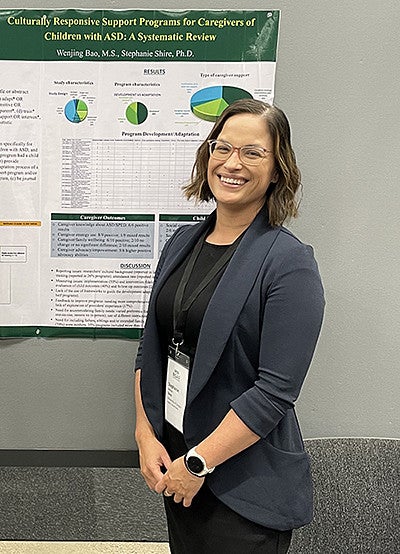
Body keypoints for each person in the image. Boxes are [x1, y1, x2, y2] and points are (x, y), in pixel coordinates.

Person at [134, 98, 325, 553]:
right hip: (177, 466)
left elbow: (274, 391)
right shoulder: (183, 243)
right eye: (222, 147)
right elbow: (151, 348)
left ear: (278, 169)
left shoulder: (289, 264)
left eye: (253, 152)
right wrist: (145, 433)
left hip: (242, 484)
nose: (231, 163)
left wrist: (199, 464)